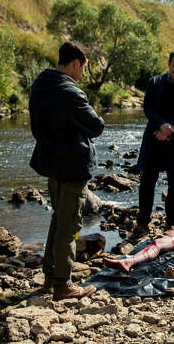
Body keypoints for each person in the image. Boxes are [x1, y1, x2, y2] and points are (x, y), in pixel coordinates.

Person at [29, 41, 105, 300]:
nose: (84, 73)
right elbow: (96, 126)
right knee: (69, 223)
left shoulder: (40, 85)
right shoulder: (70, 92)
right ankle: (63, 284)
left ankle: (50, 278)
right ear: (75, 63)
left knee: (57, 219)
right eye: (84, 67)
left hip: (51, 162)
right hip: (73, 165)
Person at [135, 50, 174, 236]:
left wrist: (170, 129)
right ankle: (143, 221)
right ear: (169, 65)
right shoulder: (154, 83)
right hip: (154, 136)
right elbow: (148, 107)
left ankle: (171, 223)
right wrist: (161, 126)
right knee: (147, 180)